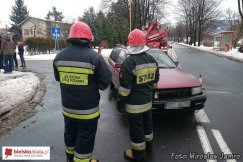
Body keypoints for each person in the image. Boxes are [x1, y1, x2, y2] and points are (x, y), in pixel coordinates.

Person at [53, 21, 111, 162]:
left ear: (71, 37)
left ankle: (70, 159)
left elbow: (58, 78)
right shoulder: (95, 58)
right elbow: (105, 83)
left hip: (68, 110)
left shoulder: (59, 57)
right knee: (85, 138)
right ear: (88, 38)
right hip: (88, 112)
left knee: (70, 134)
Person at [117, 29, 160, 161]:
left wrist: (120, 103)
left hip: (134, 106)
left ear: (130, 45)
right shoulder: (152, 60)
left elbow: (125, 89)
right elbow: (155, 82)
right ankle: (149, 148)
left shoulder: (129, 63)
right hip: (148, 102)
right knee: (148, 127)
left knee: (136, 130)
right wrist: (150, 95)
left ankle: (138, 155)